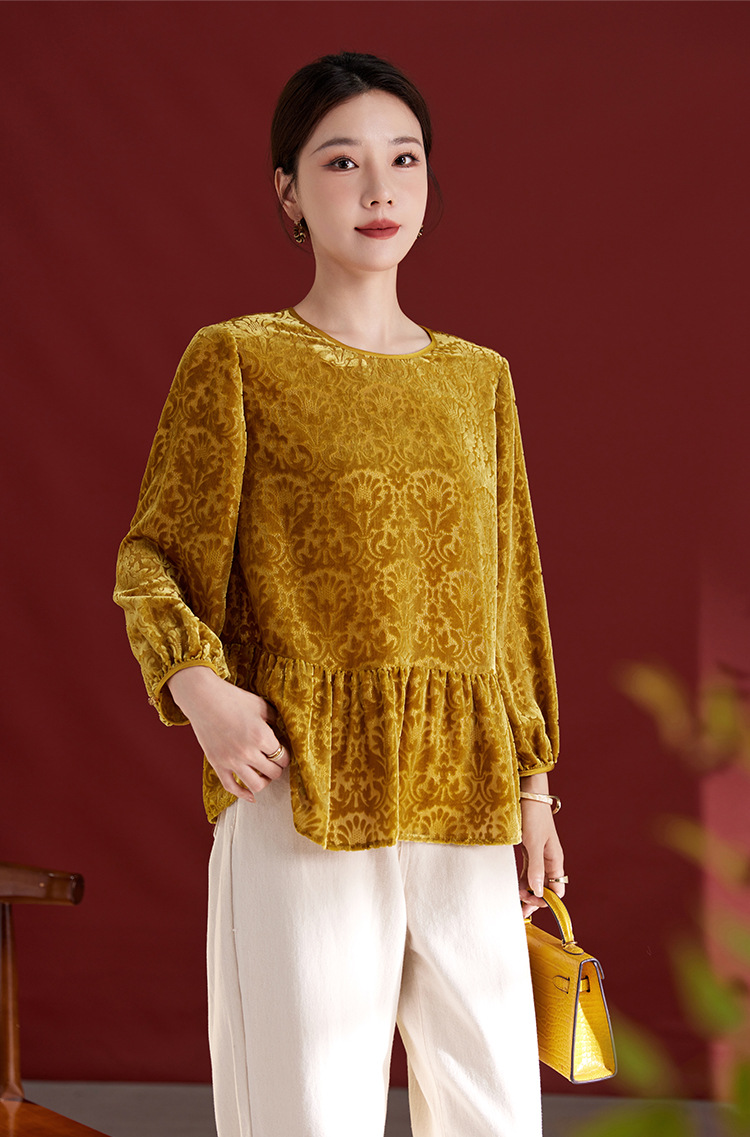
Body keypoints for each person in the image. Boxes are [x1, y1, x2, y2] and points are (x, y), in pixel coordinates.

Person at [114, 50, 565, 1137]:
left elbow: (512, 596)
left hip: (463, 795)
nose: (378, 189)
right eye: (341, 161)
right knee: (307, 1115)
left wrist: (535, 785)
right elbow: (152, 560)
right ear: (288, 191)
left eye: (403, 159)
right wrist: (203, 694)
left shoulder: (478, 380)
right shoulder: (237, 361)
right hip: (301, 786)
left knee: (497, 1115)